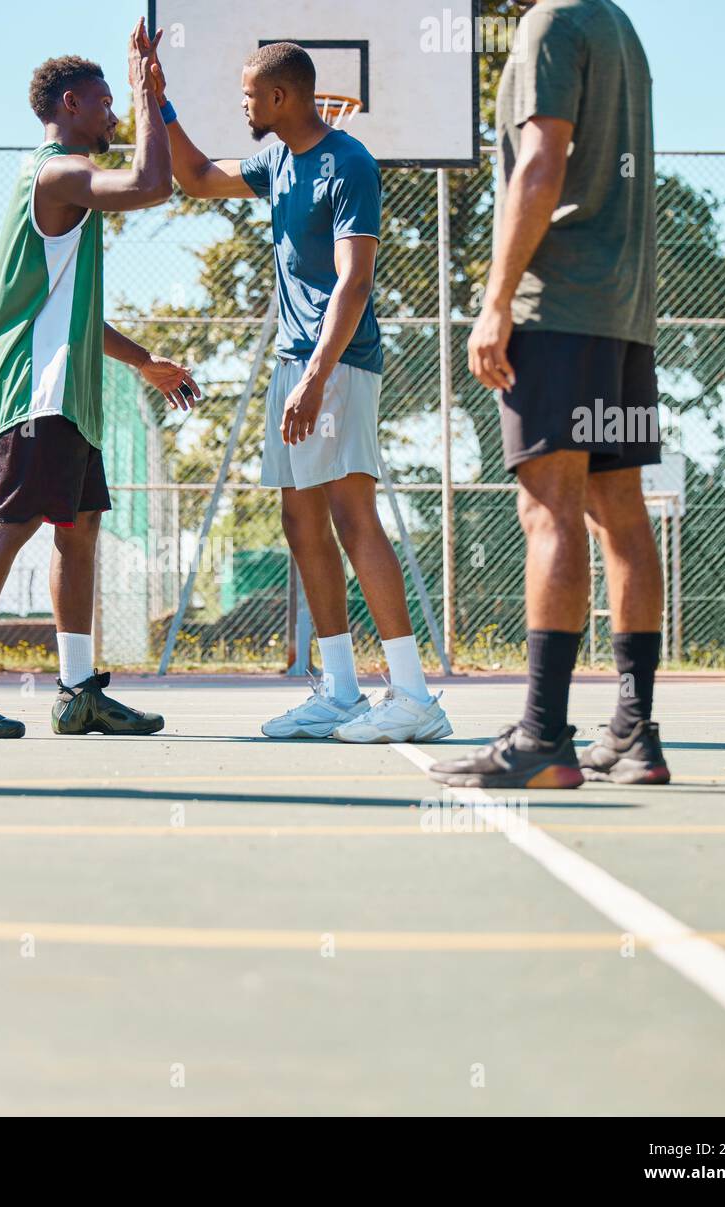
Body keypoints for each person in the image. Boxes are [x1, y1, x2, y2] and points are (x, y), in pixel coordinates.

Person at [150, 39, 452, 743]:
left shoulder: (349, 164)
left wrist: (317, 376)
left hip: (336, 362)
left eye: (251, 96)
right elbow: (194, 175)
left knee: (352, 517)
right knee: (300, 522)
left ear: (281, 98)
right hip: (297, 364)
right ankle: (341, 688)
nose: (244, 106)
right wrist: (159, 99)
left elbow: (355, 281)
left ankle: (412, 694)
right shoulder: (276, 161)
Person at [0, 21, 199, 739]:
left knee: (79, 530)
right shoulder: (57, 172)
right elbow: (155, 184)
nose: (113, 117)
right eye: (105, 104)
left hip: (68, 387)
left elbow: (75, 310)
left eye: (116, 103)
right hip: (39, 387)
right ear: (70, 105)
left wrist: (142, 361)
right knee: (11, 524)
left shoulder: (63, 179)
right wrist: (149, 95)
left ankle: (78, 691)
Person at [430, 0, 668, 789]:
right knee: (620, 514)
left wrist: (496, 299)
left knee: (550, 510)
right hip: (624, 314)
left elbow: (542, 159)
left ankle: (542, 737)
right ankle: (634, 733)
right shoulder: (617, 27)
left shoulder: (549, 25)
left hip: (557, 306)